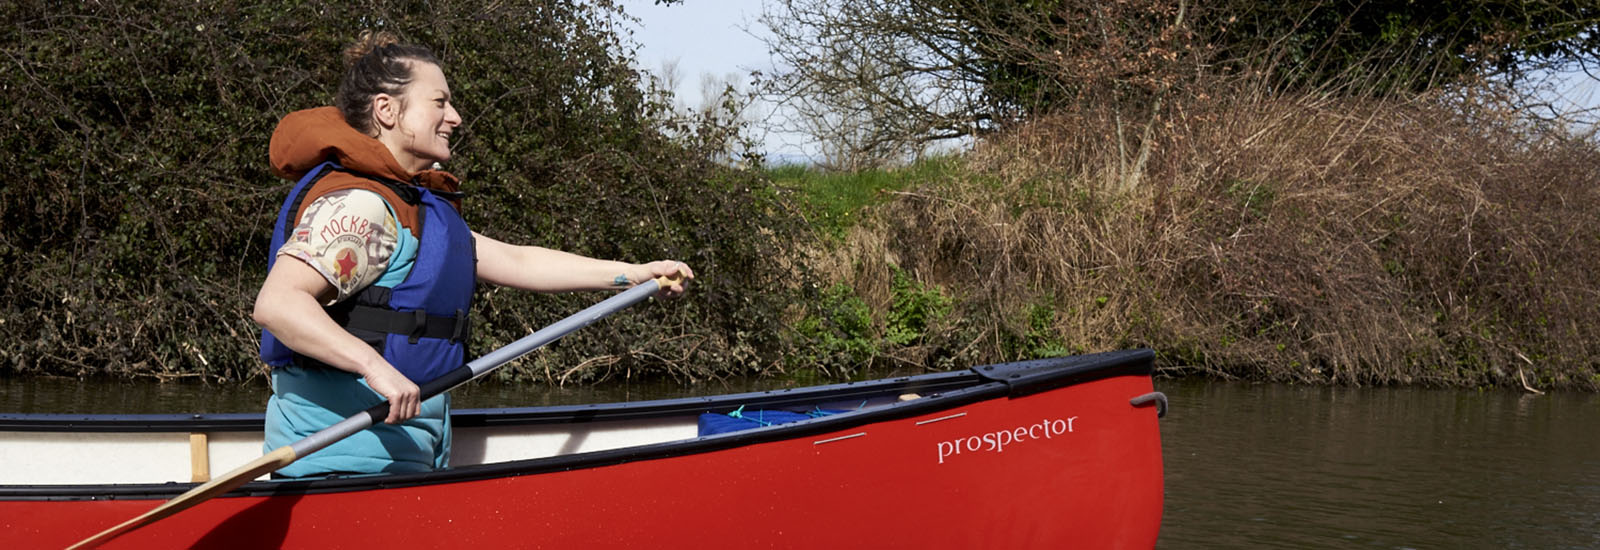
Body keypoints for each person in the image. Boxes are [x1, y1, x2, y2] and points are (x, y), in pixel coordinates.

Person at [251, 31, 692, 478]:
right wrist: (373, 367)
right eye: (439, 103)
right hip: (340, 462)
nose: (455, 117)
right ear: (386, 110)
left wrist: (636, 275)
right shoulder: (362, 208)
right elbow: (279, 303)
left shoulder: (412, 208)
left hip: (405, 455)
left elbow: (519, 262)